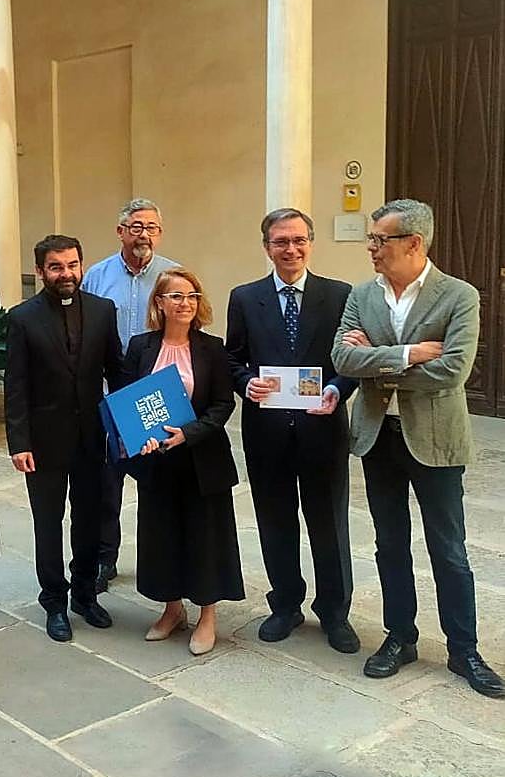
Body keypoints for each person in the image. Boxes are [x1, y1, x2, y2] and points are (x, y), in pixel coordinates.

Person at [332, 198, 503, 698]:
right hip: (378, 437)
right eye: (370, 238)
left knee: (448, 548)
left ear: (414, 243)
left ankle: (463, 649)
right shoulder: (362, 294)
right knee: (390, 543)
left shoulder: (459, 295)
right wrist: (409, 354)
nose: (370, 248)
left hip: (435, 439)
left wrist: (377, 361)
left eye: (379, 239)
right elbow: (342, 358)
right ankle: (400, 637)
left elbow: (452, 371)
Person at [225, 208, 360, 653]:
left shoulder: (339, 295)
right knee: (275, 520)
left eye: (299, 240)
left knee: (329, 522)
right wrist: (246, 383)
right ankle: (285, 604)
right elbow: (233, 358)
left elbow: (350, 361)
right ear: (267, 247)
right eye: (281, 241)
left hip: (323, 428)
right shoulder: (245, 298)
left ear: (310, 243)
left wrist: (337, 390)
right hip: (267, 432)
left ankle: (335, 611)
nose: (291, 249)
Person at [5, 234, 123, 642]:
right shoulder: (22, 318)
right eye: (56, 267)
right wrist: (19, 443)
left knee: (89, 519)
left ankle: (85, 595)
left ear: (81, 265)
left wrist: (131, 424)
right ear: (40, 271)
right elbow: (16, 385)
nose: (66, 273)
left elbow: (117, 371)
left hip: (92, 438)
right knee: (48, 523)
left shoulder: (103, 310)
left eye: (72, 265)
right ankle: (54, 601)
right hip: (43, 443)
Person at [122, 268, 243, 656]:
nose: (185, 303)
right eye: (176, 296)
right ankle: (172, 609)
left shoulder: (212, 348)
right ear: (160, 303)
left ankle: (207, 616)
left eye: (192, 296)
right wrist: (137, 437)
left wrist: (188, 433)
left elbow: (223, 404)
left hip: (201, 459)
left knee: (205, 537)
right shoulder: (140, 347)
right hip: (157, 462)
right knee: (163, 536)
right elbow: (127, 399)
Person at [81, 199, 180, 592]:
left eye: (152, 228)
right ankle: (105, 559)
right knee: (107, 483)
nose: (144, 235)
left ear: (161, 233)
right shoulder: (97, 276)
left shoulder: (172, 274)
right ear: (120, 231)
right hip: (109, 392)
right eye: (136, 227)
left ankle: (164, 561)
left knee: (160, 481)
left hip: (155, 392)